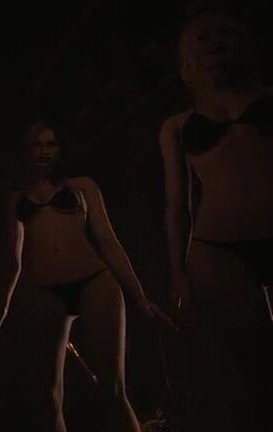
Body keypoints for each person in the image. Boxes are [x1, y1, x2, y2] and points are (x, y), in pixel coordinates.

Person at [0, 122, 171, 432]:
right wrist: (2, 309)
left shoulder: (81, 187)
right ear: (26, 151)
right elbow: (14, 262)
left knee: (113, 388)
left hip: (93, 280)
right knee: (48, 397)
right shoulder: (16, 199)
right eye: (37, 144)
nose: (45, 150)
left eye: (51, 143)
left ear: (61, 149)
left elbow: (108, 241)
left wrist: (140, 297)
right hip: (45, 290)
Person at [160, 11, 272, 432]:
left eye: (225, 33)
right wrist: (178, 274)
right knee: (251, 367)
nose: (216, 42)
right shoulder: (176, 126)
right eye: (204, 37)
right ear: (190, 54)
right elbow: (176, 206)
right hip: (216, 249)